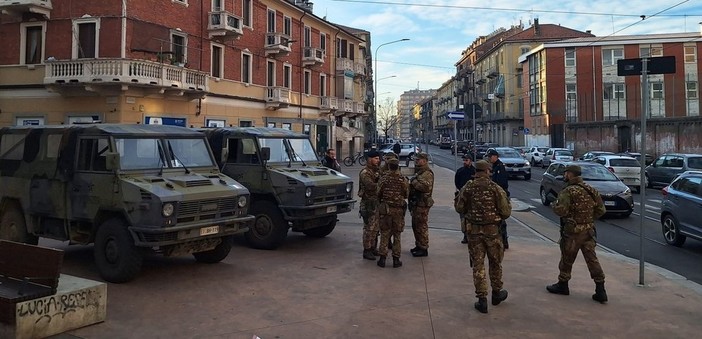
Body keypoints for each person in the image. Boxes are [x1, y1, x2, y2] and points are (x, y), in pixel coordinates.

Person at [454, 160, 511, 314]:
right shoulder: (496, 188)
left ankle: (482, 299)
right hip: (492, 232)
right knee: (495, 262)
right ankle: (497, 293)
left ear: (476, 172)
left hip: (474, 233)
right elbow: (506, 212)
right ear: (487, 171)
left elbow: (459, 207)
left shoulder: (468, 187)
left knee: (478, 265)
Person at [546, 164, 608, 304]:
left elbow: (561, 210)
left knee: (567, 259)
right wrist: (588, 219)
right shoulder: (591, 189)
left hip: (573, 231)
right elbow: (601, 210)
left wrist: (555, 205)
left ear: (570, 174)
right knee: (592, 259)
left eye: (566, 173)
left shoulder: (568, 191)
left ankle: (563, 284)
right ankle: (600, 289)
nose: (564, 175)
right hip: (588, 231)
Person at [376, 157, 410, 268]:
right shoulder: (402, 179)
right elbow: (406, 194)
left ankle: (382, 259)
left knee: (385, 234)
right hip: (398, 211)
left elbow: (378, 193)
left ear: (389, 166)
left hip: (386, 210)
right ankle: (396, 259)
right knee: (397, 235)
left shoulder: (384, 178)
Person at [409, 152, 434, 257]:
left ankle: (423, 247)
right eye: (416, 160)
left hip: (422, 204)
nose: (416, 161)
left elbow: (425, 187)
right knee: (415, 225)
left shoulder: (427, 173)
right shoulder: (420, 172)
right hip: (416, 203)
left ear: (425, 161)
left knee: (421, 226)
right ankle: (418, 244)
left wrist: (413, 182)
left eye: (418, 160)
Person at [358, 150, 381, 260]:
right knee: (369, 228)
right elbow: (370, 186)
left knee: (376, 228)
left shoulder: (376, 171)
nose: (378, 160)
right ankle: (367, 250)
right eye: (376, 158)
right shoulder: (365, 172)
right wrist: (383, 184)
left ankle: (373, 247)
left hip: (376, 203)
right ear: (369, 159)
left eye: (378, 158)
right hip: (368, 204)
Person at [486, 148, 510, 249]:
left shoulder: (500, 167)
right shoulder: (495, 167)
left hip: (501, 196)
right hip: (497, 196)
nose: (489, 158)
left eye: (490, 156)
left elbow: (501, 183)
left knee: (501, 220)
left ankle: (504, 241)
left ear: (495, 156)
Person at [455, 154, 476, 244]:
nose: (465, 162)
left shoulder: (474, 171)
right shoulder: (460, 171)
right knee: (463, 217)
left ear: (470, 161)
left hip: (472, 198)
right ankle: (465, 235)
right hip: (462, 197)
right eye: (464, 160)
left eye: (466, 160)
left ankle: (472, 235)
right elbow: (457, 182)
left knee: (472, 217)